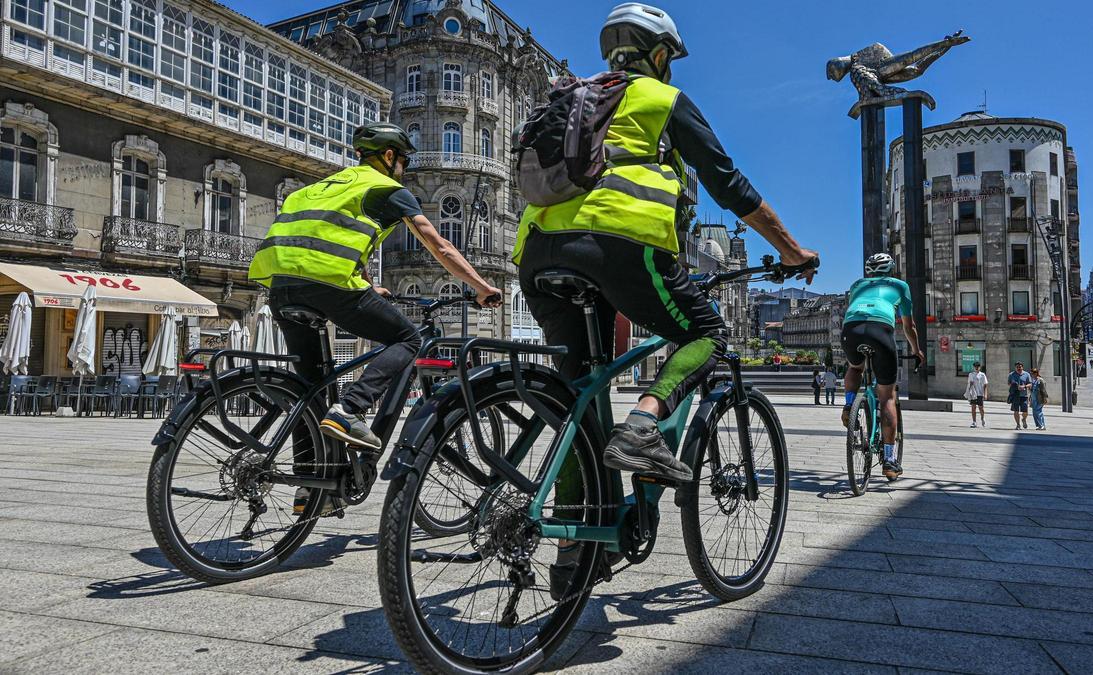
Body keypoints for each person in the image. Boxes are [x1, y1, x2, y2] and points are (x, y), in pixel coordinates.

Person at [515, 3, 818, 597]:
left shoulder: (570, 99)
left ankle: (574, 550)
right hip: (618, 244)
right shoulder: (658, 100)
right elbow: (729, 184)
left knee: (581, 398)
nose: (670, 70)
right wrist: (792, 249)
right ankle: (646, 424)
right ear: (659, 56)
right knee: (705, 334)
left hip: (538, 252)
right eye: (670, 60)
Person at [248, 123, 503, 453]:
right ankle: (351, 409)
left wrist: (370, 285)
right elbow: (440, 246)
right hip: (328, 284)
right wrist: (483, 287)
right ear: (388, 156)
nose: (403, 170)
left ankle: (310, 495)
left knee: (308, 392)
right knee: (409, 338)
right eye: (404, 162)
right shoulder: (387, 189)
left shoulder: (320, 188)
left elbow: (336, 237)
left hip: (280, 286)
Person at [839, 253, 924, 481]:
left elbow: (856, 312)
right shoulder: (900, 286)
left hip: (851, 330)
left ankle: (849, 405)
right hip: (880, 331)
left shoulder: (857, 285)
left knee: (855, 367)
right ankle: (889, 460)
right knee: (887, 396)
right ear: (891, 270)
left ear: (869, 271)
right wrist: (916, 350)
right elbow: (909, 325)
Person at [1008, 362, 1032, 429]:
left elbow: (1030, 384)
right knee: (1016, 411)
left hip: (1024, 395)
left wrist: (1024, 386)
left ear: (1022, 367)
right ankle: (1018, 424)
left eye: (1020, 367)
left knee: (1025, 411)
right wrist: (1015, 386)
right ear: (1015, 367)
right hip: (1015, 395)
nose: (1019, 368)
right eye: (1017, 367)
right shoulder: (1011, 374)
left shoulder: (1026, 374)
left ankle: (1024, 419)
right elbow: (1009, 383)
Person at [965, 361, 988, 428]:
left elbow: (985, 385)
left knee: (981, 408)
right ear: (974, 367)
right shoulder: (971, 374)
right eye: (975, 366)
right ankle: (974, 422)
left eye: (978, 366)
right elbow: (969, 383)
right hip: (973, 394)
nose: (976, 368)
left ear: (980, 367)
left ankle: (982, 418)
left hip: (980, 393)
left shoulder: (982, 375)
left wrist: (985, 394)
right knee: (973, 408)